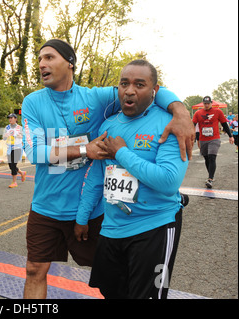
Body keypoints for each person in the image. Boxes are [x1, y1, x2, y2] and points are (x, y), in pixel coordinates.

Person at [21, 39, 194, 299]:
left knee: (116, 278)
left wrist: (180, 111)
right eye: (39, 59)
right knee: (34, 269)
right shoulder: (32, 102)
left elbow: (145, 87)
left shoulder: (96, 98)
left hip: (95, 211)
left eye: (49, 57)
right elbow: (34, 152)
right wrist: (84, 150)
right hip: (47, 206)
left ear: (70, 63)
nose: (41, 64)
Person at [75, 59, 189, 299]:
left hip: (155, 226)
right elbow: (97, 175)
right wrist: (82, 217)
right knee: (112, 292)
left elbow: (169, 182)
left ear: (155, 91)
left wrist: (122, 153)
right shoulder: (108, 125)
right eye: (124, 83)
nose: (129, 90)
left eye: (140, 84)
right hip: (112, 228)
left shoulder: (171, 124)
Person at [192, 96, 234, 188]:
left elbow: (224, 124)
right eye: (205, 103)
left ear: (211, 103)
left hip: (214, 138)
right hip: (203, 139)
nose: (206, 105)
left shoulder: (218, 112)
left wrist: (230, 136)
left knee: (212, 157)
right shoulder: (198, 113)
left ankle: (210, 179)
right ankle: (210, 175)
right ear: (203, 104)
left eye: (208, 103)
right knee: (206, 158)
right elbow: (193, 125)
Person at [3, 113, 26, 188]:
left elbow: (24, 136)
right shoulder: (7, 127)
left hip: (17, 148)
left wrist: (18, 136)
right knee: (10, 165)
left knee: (13, 164)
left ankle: (14, 182)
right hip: (10, 148)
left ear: (16, 119)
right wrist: (5, 136)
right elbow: (4, 137)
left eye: (11, 118)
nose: (10, 119)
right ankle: (21, 172)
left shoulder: (20, 128)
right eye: (9, 118)